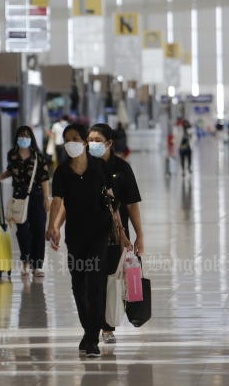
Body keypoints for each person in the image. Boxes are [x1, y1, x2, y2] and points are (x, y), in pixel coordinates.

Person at [46, 123, 127, 358]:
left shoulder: (99, 167)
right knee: (78, 285)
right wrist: (53, 226)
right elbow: (57, 201)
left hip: (99, 234)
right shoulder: (62, 172)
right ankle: (88, 331)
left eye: (75, 138)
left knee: (95, 285)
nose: (71, 142)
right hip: (76, 236)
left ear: (83, 142)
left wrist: (121, 231)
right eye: (67, 138)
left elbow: (112, 201)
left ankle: (92, 338)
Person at [87, 123, 143, 345]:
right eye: (89, 139)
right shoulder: (82, 167)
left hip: (115, 236)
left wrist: (140, 235)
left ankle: (107, 328)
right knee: (92, 282)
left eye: (97, 140)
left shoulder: (122, 168)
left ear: (109, 143)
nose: (92, 144)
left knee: (111, 281)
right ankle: (92, 326)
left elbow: (132, 205)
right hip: (87, 235)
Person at [0, 126, 51, 277]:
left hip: (37, 195)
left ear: (31, 138)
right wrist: (0, 177)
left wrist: (47, 198)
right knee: (23, 231)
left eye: (26, 136)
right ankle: (26, 262)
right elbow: (11, 170)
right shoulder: (12, 155)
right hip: (19, 197)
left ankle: (37, 265)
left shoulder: (39, 156)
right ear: (16, 138)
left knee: (38, 230)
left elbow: (45, 178)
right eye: (21, 135)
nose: (23, 138)